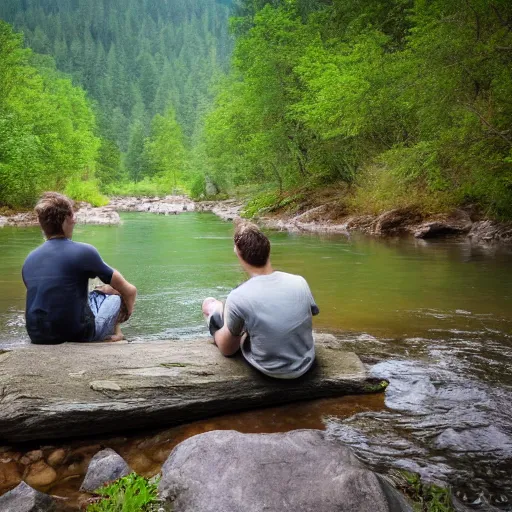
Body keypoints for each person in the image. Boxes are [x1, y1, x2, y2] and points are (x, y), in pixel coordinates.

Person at [202, 221, 319, 379]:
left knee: (211, 305)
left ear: (238, 253)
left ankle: (216, 314)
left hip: (273, 370)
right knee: (236, 311)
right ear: (268, 250)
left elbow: (228, 350)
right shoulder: (299, 281)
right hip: (305, 363)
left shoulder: (238, 296)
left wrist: (215, 324)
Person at [22, 192, 137, 344]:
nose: (75, 221)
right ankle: (117, 335)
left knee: (95, 293)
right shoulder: (84, 252)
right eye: (73, 216)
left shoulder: (30, 258)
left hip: (37, 336)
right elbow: (129, 290)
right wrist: (127, 310)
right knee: (115, 295)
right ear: (68, 218)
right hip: (78, 334)